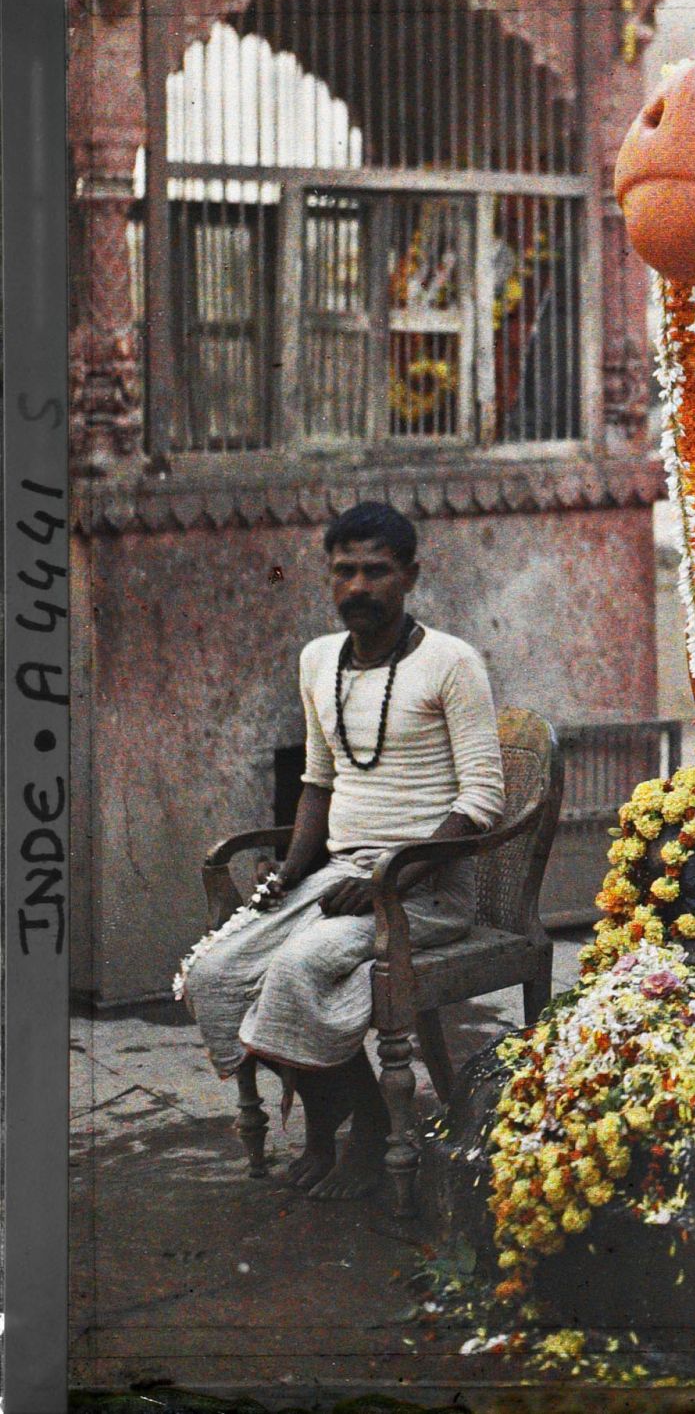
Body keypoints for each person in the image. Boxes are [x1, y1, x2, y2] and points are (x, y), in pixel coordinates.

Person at [182, 502, 505, 1200]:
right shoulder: (318, 659)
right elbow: (318, 782)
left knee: (298, 966)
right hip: (337, 878)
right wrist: (292, 867)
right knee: (215, 971)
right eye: (344, 570)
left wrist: (391, 879)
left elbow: (482, 802)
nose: (358, 586)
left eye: (376, 571)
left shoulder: (452, 662)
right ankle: (342, 1110)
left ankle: (354, 1131)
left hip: (425, 892)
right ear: (329, 576)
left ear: (410, 576)